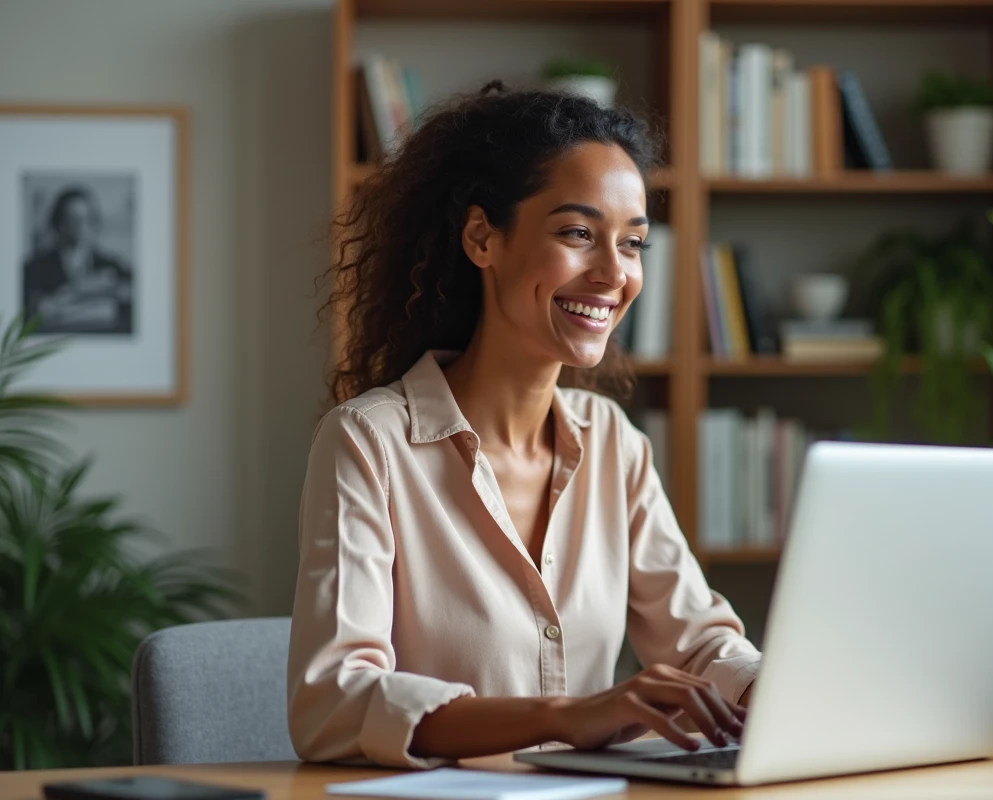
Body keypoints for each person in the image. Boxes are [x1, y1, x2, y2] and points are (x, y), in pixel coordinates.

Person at [287, 83, 759, 770]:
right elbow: (334, 703)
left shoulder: (612, 441)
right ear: (483, 238)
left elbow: (698, 647)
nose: (613, 274)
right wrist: (569, 716)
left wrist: (772, 685)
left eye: (632, 245)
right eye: (577, 234)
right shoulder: (368, 442)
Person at [22, 185, 133, 334]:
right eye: (74, 218)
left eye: (89, 218)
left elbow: (133, 298)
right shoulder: (34, 268)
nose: (83, 225)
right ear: (59, 223)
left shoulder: (113, 265)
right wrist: (73, 292)